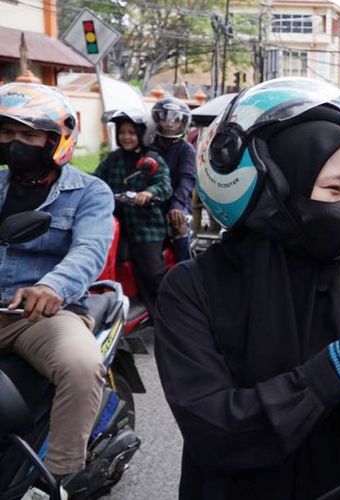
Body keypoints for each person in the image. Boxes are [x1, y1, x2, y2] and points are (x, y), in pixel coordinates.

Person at [154, 78, 340, 500]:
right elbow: (213, 429)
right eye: (333, 189)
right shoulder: (192, 289)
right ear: (276, 188)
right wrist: (328, 374)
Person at [0, 83, 113, 486]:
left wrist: (51, 288)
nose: (16, 145)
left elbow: (89, 250)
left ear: (55, 139)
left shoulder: (89, 192)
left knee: (81, 366)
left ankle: (63, 477)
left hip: (46, 314)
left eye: (29, 136)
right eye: (8, 133)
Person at [94, 109, 172, 315]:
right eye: (122, 132)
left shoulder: (152, 160)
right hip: (115, 223)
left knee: (150, 271)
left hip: (146, 227)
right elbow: (95, 180)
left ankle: (166, 313)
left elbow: (164, 185)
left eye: (131, 132)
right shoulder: (113, 159)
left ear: (142, 135)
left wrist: (148, 193)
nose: (126, 137)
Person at [151, 97, 196, 261]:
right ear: (156, 120)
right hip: (150, 199)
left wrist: (176, 206)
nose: (170, 123)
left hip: (177, 201)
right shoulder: (149, 147)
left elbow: (187, 181)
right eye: (165, 118)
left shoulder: (186, 150)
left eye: (176, 120)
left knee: (178, 223)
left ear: (183, 123)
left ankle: (184, 266)